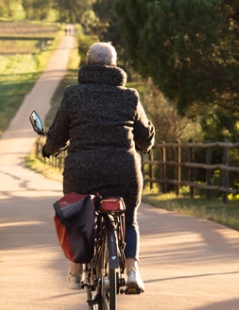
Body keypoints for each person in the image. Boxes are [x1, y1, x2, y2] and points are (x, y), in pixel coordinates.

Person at [43, 42, 155, 293]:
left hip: (81, 171)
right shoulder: (130, 96)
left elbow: (57, 134)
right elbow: (145, 135)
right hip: (123, 170)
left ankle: (76, 270)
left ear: (87, 64)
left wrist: (48, 149)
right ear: (115, 66)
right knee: (130, 218)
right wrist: (147, 145)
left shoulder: (73, 95)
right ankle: (132, 270)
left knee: (78, 213)